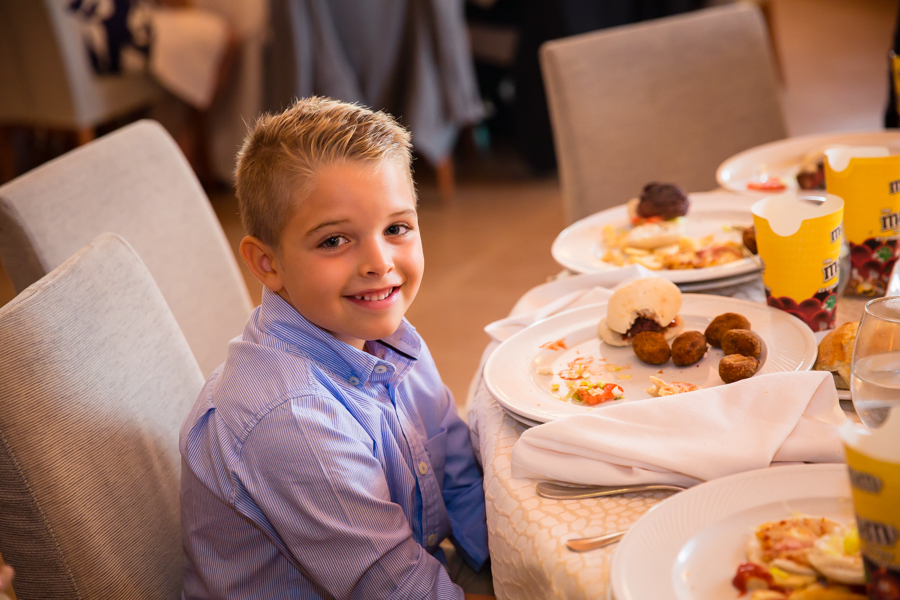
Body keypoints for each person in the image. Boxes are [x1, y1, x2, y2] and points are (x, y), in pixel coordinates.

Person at [179, 97, 490, 599]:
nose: (379, 262)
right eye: (334, 241)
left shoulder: (389, 336)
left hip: (411, 567)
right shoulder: (295, 418)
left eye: (396, 229)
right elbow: (398, 590)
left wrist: (500, 555)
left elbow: (455, 468)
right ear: (267, 263)